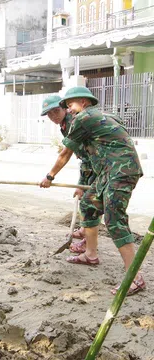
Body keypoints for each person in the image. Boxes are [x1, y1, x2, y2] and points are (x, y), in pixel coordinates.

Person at [40, 87, 144, 296]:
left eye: (70, 105)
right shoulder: (98, 115)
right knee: (88, 204)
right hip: (107, 172)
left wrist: (50, 177)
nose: (68, 110)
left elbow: (66, 153)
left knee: (115, 220)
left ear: (84, 102)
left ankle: (135, 277)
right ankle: (90, 254)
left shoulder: (83, 118)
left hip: (121, 171)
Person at [40, 95, 96, 253]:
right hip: (90, 164)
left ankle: (88, 245)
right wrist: (80, 184)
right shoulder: (65, 124)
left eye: (56, 111)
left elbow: (66, 154)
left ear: (65, 108)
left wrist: (50, 176)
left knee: (91, 204)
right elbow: (84, 158)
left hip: (101, 165)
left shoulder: (74, 122)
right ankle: (85, 232)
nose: (53, 116)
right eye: (49, 114)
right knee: (85, 199)